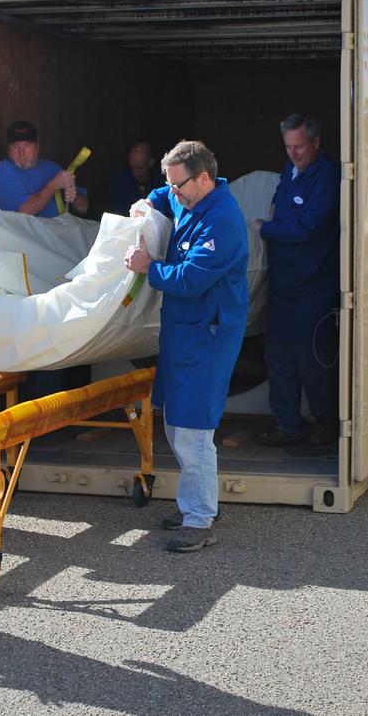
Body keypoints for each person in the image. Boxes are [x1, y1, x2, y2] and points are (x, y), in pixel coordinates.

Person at [124, 140, 248, 553]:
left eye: (179, 187)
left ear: (204, 178)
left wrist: (149, 268)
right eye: (170, 185)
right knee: (176, 423)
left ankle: (199, 520)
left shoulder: (223, 222)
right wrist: (148, 202)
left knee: (194, 430)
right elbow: (162, 197)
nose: (172, 194)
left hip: (207, 336)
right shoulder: (187, 198)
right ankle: (196, 504)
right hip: (183, 333)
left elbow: (191, 280)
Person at [253, 114, 340, 447]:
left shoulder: (327, 177)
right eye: (288, 147)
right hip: (284, 286)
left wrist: (267, 228)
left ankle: (326, 422)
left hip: (313, 287)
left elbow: (308, 227)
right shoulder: (291, 171)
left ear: (316, 142)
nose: (294, 153)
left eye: (299, 146)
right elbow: (279, 202)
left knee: (312, 360)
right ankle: (286, 426)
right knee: (279, 358)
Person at [0, 120, 89, 217]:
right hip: (19, 232)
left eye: (27, 146)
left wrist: (74, 197)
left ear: (37, 147)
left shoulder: (52, 169)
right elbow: (23, 213)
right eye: (16, 147)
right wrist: (53, 185)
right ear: (8, 150)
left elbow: (83, 208)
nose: (21, 153)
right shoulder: (3, 171)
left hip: (57, 230)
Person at [107, 141, 164, 214]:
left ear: (151, 163)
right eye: (132, 168)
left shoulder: (161, 182)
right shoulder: (119, 181)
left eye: (139, 168)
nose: (134, 173)